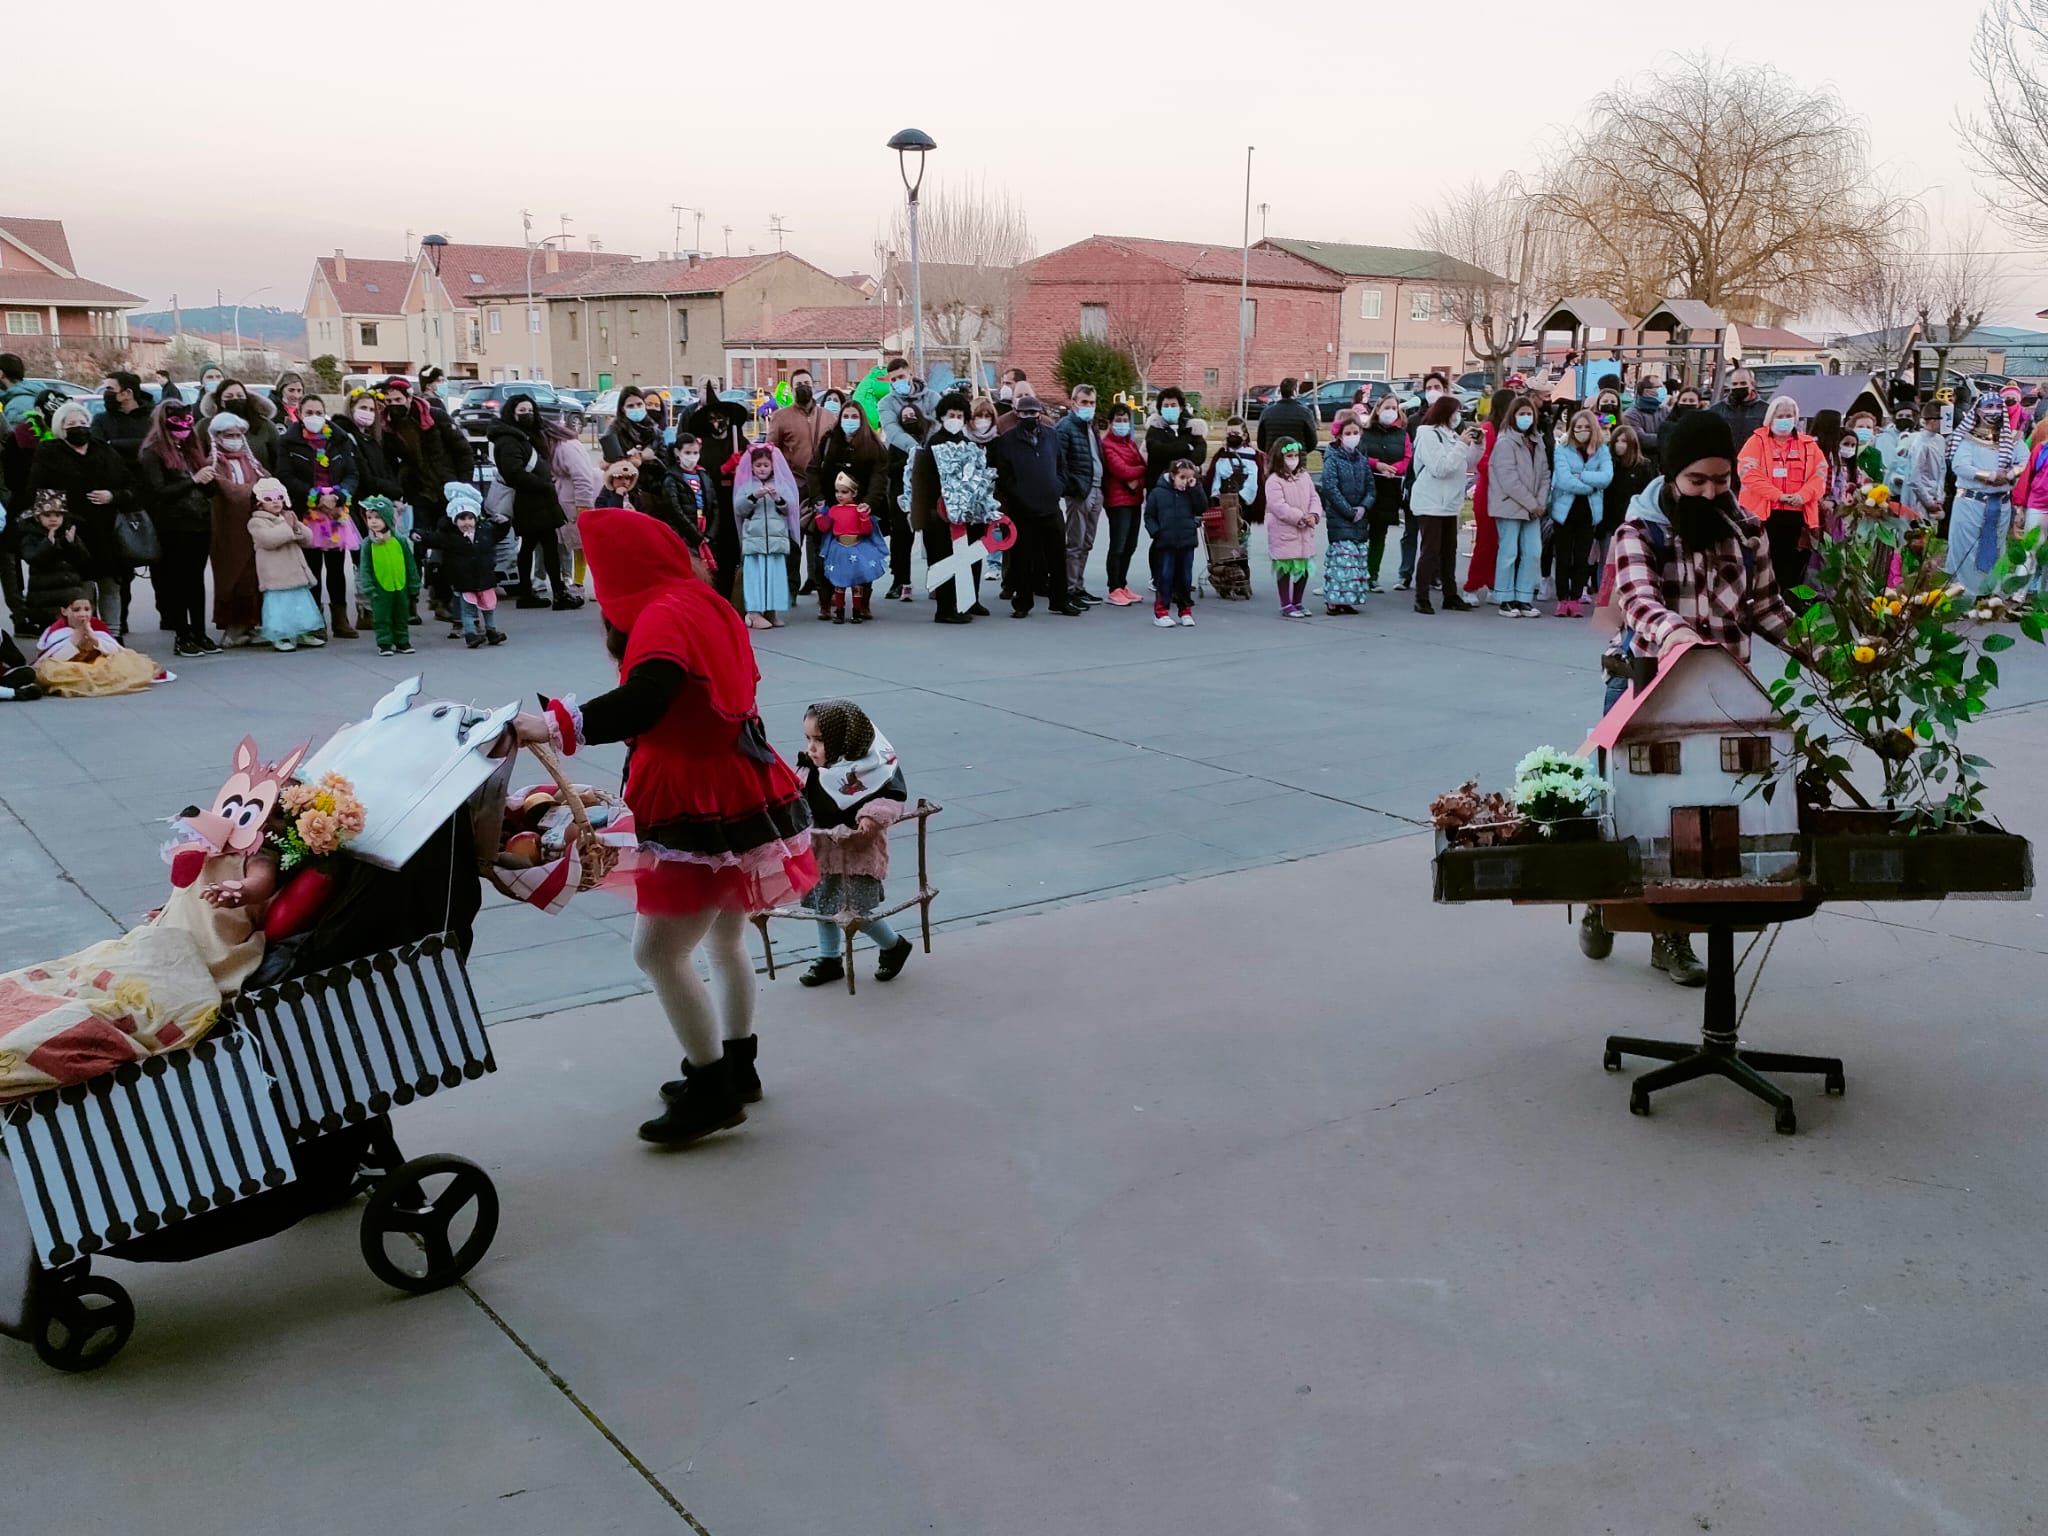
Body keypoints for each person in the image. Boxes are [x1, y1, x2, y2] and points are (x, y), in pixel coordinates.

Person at [502, 506, 818, 1145]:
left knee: (656, 951)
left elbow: (647, 697)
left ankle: (711, 1090)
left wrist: (558, 725)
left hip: (696, 794)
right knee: (725, 939)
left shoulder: (663, 615)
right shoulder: (697, 600)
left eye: (593, 568)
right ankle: (737, 1065)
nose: (590, 583)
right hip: (742, 777)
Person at [1586, 408, 1803, 984]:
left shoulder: (1748, 532)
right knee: (1628, 808)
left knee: (1699, 819)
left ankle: (1670, 937)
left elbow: (1766, 609)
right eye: (1696, 481)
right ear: (1672, 476)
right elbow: (1637, 600)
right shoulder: (1640, 531)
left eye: (1721, 480)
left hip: (1721, 693)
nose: (1710, 492)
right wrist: (1674, 633)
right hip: (1644, 681)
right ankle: (1600, 903)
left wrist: (1828, 653)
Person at [794, 700, 914, 986]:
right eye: (808, 739)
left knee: (855, 910)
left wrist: (871, 816)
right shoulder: (811, 768)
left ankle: (893, 945)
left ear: (843, 740)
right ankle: (828, 958)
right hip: (820, 850)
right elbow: (794, 793)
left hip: (856, 852)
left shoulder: (876, 769)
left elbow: (893, 801)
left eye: (820, 740)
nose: (811, 748)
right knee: (824, 907)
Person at [29, 399, 133, 636]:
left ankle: (113, 636)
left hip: (106, 530)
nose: (79, 426)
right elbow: (37, 491)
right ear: (60, 427)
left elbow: (130, 485)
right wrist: (59, 519)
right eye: (72, 423)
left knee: (110, 585)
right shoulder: (50, 452)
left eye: (83, 422)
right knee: (81, 588)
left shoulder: (103, 449)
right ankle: (83, 635)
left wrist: (112, 496)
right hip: (72, 531)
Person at [380, 375, 473, 619]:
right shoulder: (388, 427)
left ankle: (441, 599)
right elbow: (389, 462)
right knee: (417, 547)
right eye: (388, 400)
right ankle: (411, 602)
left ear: (410, 397)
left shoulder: (435, 417)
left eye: (398, 399)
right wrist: (398, 489)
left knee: (444, 546)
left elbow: (462, 450)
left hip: (447, 490)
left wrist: (463, 487)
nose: (393, 404)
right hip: (418, 492)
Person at [136, 396, 221, 656]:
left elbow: (210, 491)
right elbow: (159, 491)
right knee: (178, 582)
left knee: (196, 581)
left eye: (186, 422)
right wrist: (194, 480)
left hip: (199, 523)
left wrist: (209, 477)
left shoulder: (191, 450)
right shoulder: (152, 453)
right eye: (176, 423)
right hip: (173, 525)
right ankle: (182, 635)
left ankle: (199, 632)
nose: (183, 429)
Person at [909, 392, 998, 625]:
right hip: (939, 515)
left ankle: (970, 600)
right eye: (951, 415)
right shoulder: (933, 444)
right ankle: (946, 608)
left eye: (960, 415)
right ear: (942, 416)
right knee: (944, 559)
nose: (956, 419)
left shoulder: (968, 444)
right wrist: (929, 512)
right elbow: (924, 482)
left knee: (972, 556)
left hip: (969, 514)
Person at [986, 396, 1078, 617]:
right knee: (1023, 558)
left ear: (1039, 414)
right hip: (1022, 508)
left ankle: (1060, 600)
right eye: (1025, 413)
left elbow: (1061, 465)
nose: (1030, 417)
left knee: (1057, 556)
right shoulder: (1006, 441)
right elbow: (1004, 477)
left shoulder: (1051, 436)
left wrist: (1059, 485)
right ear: (1017, 414)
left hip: (1050, 505)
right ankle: (1023, 602)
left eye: (1033, 413)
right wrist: (1017, 496)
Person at [278, 393, 360, 638]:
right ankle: (315, 621)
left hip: (335, 513)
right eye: (309, 413)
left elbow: (352, 473)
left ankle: (340, 618)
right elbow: (285, 475)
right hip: (307, 513)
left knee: (336, 569)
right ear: (300, 415)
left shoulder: (340, 439)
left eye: (318, 412)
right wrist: (314, 496)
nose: (314, 417)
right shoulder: (288, 442)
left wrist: (339, 496)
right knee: (311, 568)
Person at [492, 392, 579, 611]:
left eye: (530, 410)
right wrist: (544, 485)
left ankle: (528, 593)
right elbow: (514, 472)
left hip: (536, 500)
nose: (528, 414)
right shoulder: (510, 440)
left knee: (531, 546)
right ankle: (558, 593)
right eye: (522, 411)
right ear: (512, 413)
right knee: (547, 546)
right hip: (531, 501)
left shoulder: (523, 436)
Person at [1734, 394, 1826, 598]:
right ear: (1771, 417)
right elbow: (1748, 473)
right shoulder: (1756, 441)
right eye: (1781, 414)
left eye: (1789, 415)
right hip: (1764, 516)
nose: (1785, 419)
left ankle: (1789, 606)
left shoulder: (1808, 445)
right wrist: (1778, 495)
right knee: (1763, 564)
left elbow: (1820, 475)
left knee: (1792, 568)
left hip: (1797, 517)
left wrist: (1803, 495)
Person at [199, 411, 265, 646]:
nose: (235, 439)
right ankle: (233, 628)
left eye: (238, 434)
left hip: (252, 527)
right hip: (228, 530)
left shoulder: (250, 460)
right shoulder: (213, 463)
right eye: (229, 435)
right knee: (231, 577)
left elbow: (266, 480)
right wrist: (255, 491)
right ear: (218, 437)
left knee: (253, 577)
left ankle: (251, 625)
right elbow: (229, 490)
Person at [1411, 397, 1479, 615]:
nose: (1458, 417)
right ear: (1445, 412)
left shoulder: (1452, 436)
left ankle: (1450, 595)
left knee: (1450, 550)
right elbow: (1441, 467)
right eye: (1455, 412)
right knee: (1430, 550)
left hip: (1449, 502)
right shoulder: (1428, 435)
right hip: (1431, 501)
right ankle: (1422, 597)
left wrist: (1478, 444)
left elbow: (1468, 462)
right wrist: (1461, 445)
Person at [33, 589, 168, 696]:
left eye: (87, 609)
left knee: (122, 663)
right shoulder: (57, 630)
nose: (82, 614)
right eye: (76, 610)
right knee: (51, 671)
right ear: (64, 611)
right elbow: (52, 659)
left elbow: (115, 650)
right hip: (70, 666)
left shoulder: (97, 626)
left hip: (97, 663)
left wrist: (94, 639)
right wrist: (74, 641)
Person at [246, 477, 327, 652]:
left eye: (279, 497)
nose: (275, 501)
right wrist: (288, 527)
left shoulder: (287, 517)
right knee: (279, 606)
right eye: (268, 498)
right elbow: (269, 540)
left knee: (300, 603)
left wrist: (296, 526)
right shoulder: (256, 522)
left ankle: (303, 632)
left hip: (294, 572)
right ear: (259, 503)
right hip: (275, 574)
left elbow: (308, 538)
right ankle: (279, 636)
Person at [1948, 394, 2016, 598]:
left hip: (2000, 504)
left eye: (1998, 406)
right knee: (1966, 548)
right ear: (1977, 410)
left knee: (1996, 546)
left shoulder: (2010, 439)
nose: (1993, 410)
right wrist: (1989, 476)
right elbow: (1960, 466)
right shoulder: (1967, 439)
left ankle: (1990, 592)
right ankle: (1963, 593)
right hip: (1971, 502)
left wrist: (2010, 474)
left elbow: (2023, 462)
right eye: (1989, 406)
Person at [1488, 394, 1551, 615]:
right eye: (1521, 413)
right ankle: (1505, 598)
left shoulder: (1537, 441)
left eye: (1529, 413)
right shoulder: (1505, 442)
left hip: (1533, 509)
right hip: (1510, 506)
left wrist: (1540, 502)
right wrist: (1531, 503)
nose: (1526, 417)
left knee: (1533, 552)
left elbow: (1545, 474)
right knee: (1509, 552)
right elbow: (1508, 480)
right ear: (1513, 416)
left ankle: (1523, 597)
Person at [1548, 409, 1612, 617]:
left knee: (1582, 557)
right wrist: (1590, 486)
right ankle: (1562, 598)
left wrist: (1582, 475)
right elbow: (1564, 479)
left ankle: (1575, 598)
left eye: (1586, 427)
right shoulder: (1563, 449)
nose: (1582, 431)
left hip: (1589, 512)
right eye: (1578, 427)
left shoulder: (1602, 450)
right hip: (1565, 511)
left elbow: (1606, 477)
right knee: (1564, 556)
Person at [733, 442, 798, 628]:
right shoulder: (746, 486)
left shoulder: (781, 485)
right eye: (758, 465)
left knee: (775, 577)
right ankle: (754, 613)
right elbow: (739, 509)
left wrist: (778, 499)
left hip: (776, 541)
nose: (762, 469)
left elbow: (790, 508)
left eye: (766, 465)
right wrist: (754, 497)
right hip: (755, 541)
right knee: (755, 577)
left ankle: (772, 612)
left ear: (772, 466)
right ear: (752, 467)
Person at [437, 484, 509, 647]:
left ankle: (491, 631)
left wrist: (505, 524)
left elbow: (498, 535)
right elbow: (436, 539)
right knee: (468, 610)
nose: (467, 523)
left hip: (485, 578)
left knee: (489, 607)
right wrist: (420, 535)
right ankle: (470, 634)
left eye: (470, 518)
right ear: (454, 520)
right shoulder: (452, 537)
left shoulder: (484, 532)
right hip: (464, 581)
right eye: (462, 519)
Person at [815, 470, 891, 624]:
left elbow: (866, 530)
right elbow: (824, 527)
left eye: (844, 492)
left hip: (857, 547)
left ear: (854, 493)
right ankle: (840, 612)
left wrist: (864, 517)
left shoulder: (859, 510)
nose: (839, 495)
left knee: (857, 583)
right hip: (839, 549)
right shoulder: (834, 510)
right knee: (839, 582)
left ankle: (856, 611)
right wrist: (819, 514)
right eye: (837, 491)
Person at [1318, 413, 1375, 613]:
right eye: (1348, 433)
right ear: (1340, 436)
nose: (1352, 436)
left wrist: (1364, 506)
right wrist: (1349, 511)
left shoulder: (1361, 460)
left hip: (1359, 518)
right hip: (1340, 518)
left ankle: (1348, 598)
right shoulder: (1332, 459)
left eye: (1355, 432)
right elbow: (1330, 488)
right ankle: (1334, 599)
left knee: (1355, 562)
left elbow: (1371, 487)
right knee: (1342, 561)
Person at [1055, 384, 1104, 604]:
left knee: (1087, 542)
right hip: (1080, 491)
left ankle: (1079, 585)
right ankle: (1069, 588)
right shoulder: (1066, 427)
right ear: (1073, 402)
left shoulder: (1090, 426)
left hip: (1096, 488)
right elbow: (1060, 461)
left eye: (1091, 403)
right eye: (1084, 402)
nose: (1088, 406)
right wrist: (1072, 487)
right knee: (1075, 542)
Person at [1143, 456, 1206, 627]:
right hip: (1166, 542)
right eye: (1182, 477)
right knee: (1165, 576)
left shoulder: (1191, 492)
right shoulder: (1158, 493)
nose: (1185, 482)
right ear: (1172, 475)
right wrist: (1156, 532)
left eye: (1189, 478)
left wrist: (1196, 488)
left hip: (1186, 541)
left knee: (1185, 578)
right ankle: (1161, 612)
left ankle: (1185, 610)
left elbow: (1202, 507)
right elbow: (1149, 515)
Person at [1262, 438, 1321, 619]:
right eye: (1289, 456)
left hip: (1304, 532)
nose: (1293, 459)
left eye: (1296, 455)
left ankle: (1298, 601)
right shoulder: (1274, 480)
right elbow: (1278, 506)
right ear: (1280, 457)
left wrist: (1314, 514)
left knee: (1303, 568)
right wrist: (1299, 517)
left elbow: (1314, 497)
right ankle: (1286, 603)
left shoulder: (1305, 477)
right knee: (1285, 567)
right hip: (1284, 532)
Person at [545, 408, 600, 593]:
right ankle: (577, 582)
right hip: (570, 500)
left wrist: (583, 506)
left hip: (576, 501)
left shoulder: (565, 447)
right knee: (579, 546)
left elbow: (582, 477)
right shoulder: (564, 445)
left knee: (583, 546)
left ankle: (581, 583)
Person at [1100, 400, 1149, 606]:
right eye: (1118, 420)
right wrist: (1140, 471)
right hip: (1117, 501)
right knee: (1118, 545)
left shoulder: (1130, 443)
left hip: (1135, 499)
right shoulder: (1107, 445)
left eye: (1125, 420)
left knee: (1130, 545)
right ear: (1110, 423)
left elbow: (1142, 466)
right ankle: (1114, 587)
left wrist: (1137, 475)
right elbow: (1121, 471)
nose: (1122, 424)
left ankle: (1122, 583)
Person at [1359, 396, 1410, 592]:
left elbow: (1408, 457)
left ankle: (1372, 575)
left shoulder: (1402, 435)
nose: (1391, 411)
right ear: (1378, 410)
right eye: (1387, 407)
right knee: (1360, 534)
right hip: (1366, 487)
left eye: (1394, 408)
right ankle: (1355, 571)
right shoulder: (1365, 432)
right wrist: (1377, 465)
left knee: (1379, 535)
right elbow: (1360, 454)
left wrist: (1395, 469)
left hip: (1389, 490)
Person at [356, 500, 419, 656]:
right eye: (370, 518)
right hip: (380, 588)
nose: (374, 521)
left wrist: (414, 583)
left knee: (401, 615)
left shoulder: (400, 540)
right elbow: (365, 567)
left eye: (378, 517)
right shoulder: (368, 544)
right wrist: (368, 587)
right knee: (382, 616)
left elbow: (410, 563)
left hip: (400, 585)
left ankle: (402, 640)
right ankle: (384, 642)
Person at [20, 492, 89, 633]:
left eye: (57, 515)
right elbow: (32, 558)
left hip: (71, 595)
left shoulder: (68, 534)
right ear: (38, 517)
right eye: (48, 515)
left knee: (75, 635)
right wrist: (48, 544)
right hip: (45, 597)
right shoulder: (31, 537)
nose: (53, 519)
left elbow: (84, 559)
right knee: (51, 634)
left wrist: (73, 543)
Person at [881, 400, 926, 602]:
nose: (909, 420)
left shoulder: (928, 440)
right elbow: (889, 469)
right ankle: (900, 581)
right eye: (905, 417)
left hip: (925, 496)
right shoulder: (897, 443)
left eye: (912, 416)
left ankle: (936, 582)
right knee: (901, 541)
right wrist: (909, 460)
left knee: (933, 542)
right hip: (901, 497)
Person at [1601, 424, 1654, 560]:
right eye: (1617, 441)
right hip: (1608, 524)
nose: (1619, 445)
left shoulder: (1644, 467)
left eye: (1624, 441)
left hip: (1632, 524)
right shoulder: (1608, 465)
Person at [1709, 366, 1768, 482]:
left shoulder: (1765, 410)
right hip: (1725, 467)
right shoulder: (1716, 410)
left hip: (1755, 467)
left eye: (1743, 383)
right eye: (1734, 384)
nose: (1738, 387)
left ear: (1752, 384)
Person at [207, 379, 280, 469]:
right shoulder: (206, 426)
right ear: (220, 401)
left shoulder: (264, 425)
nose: (235, 399)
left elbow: (279, 458)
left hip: (262, 480)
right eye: (229, 397)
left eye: (240, 396)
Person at [1143, 387, 1203, 491]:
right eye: (1166, 406)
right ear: (1160, 409)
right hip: (1160, 488)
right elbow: (1156, 451)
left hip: (1187, 488)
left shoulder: (1191, 427)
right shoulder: (1154, 429)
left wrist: (1171, 453)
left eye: (1173, 405)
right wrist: (1185, 447)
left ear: (1180, 408)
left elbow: (1200, 454)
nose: (1169, 408)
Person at [1257, 377, 1320, 457]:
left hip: (1273, 459)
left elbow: (1261, 442)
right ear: (1294, 392)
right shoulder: (1305, 413)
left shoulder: (1267, 412)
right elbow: (1312, 442)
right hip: (1297, 459)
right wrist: (1299, 452)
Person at [601, 386, 663, 466]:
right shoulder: (613, 431)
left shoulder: (654, 429)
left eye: (639, 404)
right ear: (622, 409)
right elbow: (613, 464)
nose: (636, 408)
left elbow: (664, 456)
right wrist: (640, 457)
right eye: (630, 406)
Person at [1622, 375, 1669, 454]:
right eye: (1659, 387)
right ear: (1647, 391)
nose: (1663, 389)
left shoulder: (1664, 410)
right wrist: (1668, 439)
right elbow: (1641, 439)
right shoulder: (1631, 414)